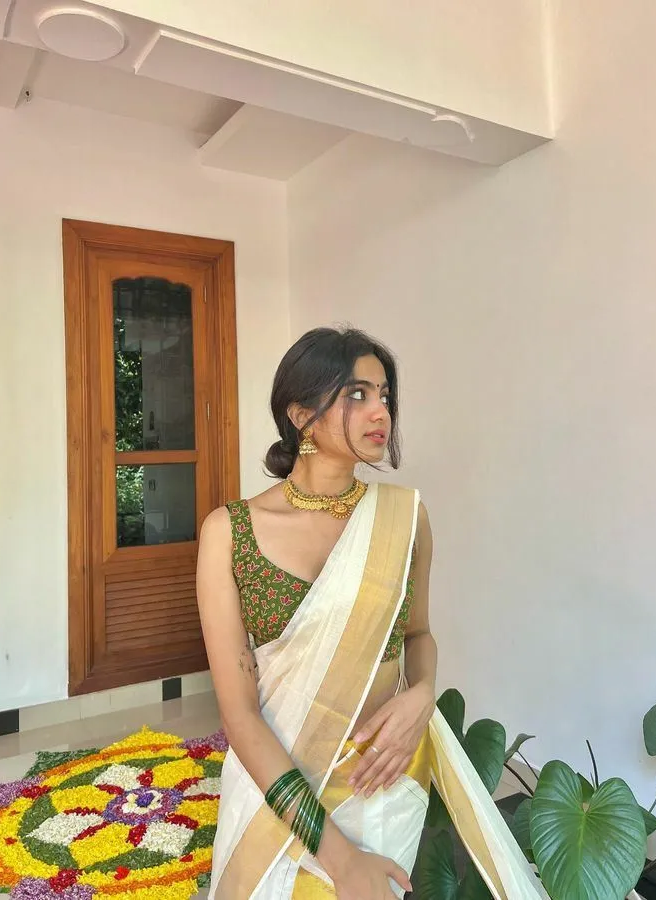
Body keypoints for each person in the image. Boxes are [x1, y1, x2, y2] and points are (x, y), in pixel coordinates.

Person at [196, 327, 548, 899]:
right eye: (356, 394)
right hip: (278, 787)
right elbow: (240, 717)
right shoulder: (229, 534)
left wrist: (423, 691)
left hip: (379, 780)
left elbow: (421, 635)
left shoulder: (405, 517)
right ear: (300, 412)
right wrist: (343, 862)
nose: (380, 410)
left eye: (384, 394)